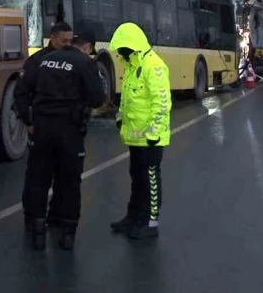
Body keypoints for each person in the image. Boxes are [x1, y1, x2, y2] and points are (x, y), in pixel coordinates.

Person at [20, 31, 105, 250]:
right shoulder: (85, 63)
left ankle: (36, 229)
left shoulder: (43, 59)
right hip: (70, 130)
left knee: (38, 178)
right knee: (69, 181)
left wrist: (28, 120)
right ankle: (67, 234)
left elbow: (23, 90)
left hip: (41, 129)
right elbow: (97, 99)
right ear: (86, 46)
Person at [108, 22, 171, 240]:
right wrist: (120, 119)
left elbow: (161, 103)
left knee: (150, 180)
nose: (120, 53)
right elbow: (127, 101)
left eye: (123, 48)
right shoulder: (132, 66)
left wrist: (154, 133)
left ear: (134, 45)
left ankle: (151, 223)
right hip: (135, 137)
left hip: (151, 138)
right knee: (137, 178)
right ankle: (133, 217)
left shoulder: (153, 66)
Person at [14, 21, 74, 229]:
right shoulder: (37, 61)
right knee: (38, 176)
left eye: (70, 41)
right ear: (52, 38)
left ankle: (56, 217)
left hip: (66, 130)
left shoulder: (75, 61)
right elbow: (21, 93)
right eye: (63, 41)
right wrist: (28, 121)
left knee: (63, 177)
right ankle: (33, 218)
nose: (68, 45)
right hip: (41, 128)